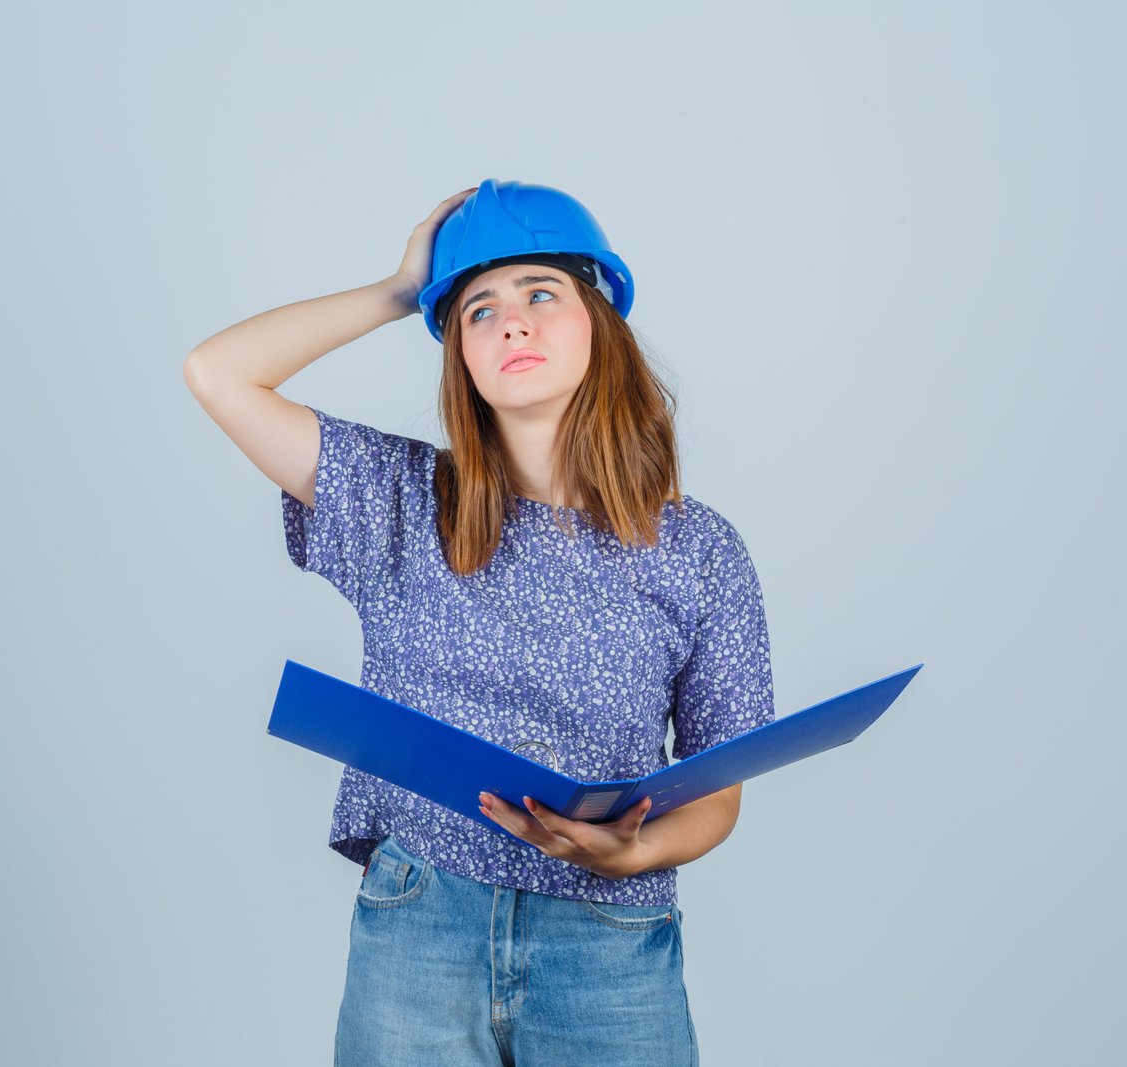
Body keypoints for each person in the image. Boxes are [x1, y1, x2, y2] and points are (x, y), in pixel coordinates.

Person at [183, 179, 774, 1067]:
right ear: (458, 353)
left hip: (608, 946)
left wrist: (636, 849)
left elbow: (720, 790)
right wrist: (398, 290)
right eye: (477, 310)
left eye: (543, 293)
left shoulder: (701, 551)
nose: (512, 323)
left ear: (601, 322)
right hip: (421, 925)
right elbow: (216, 373)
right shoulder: (399, 500)